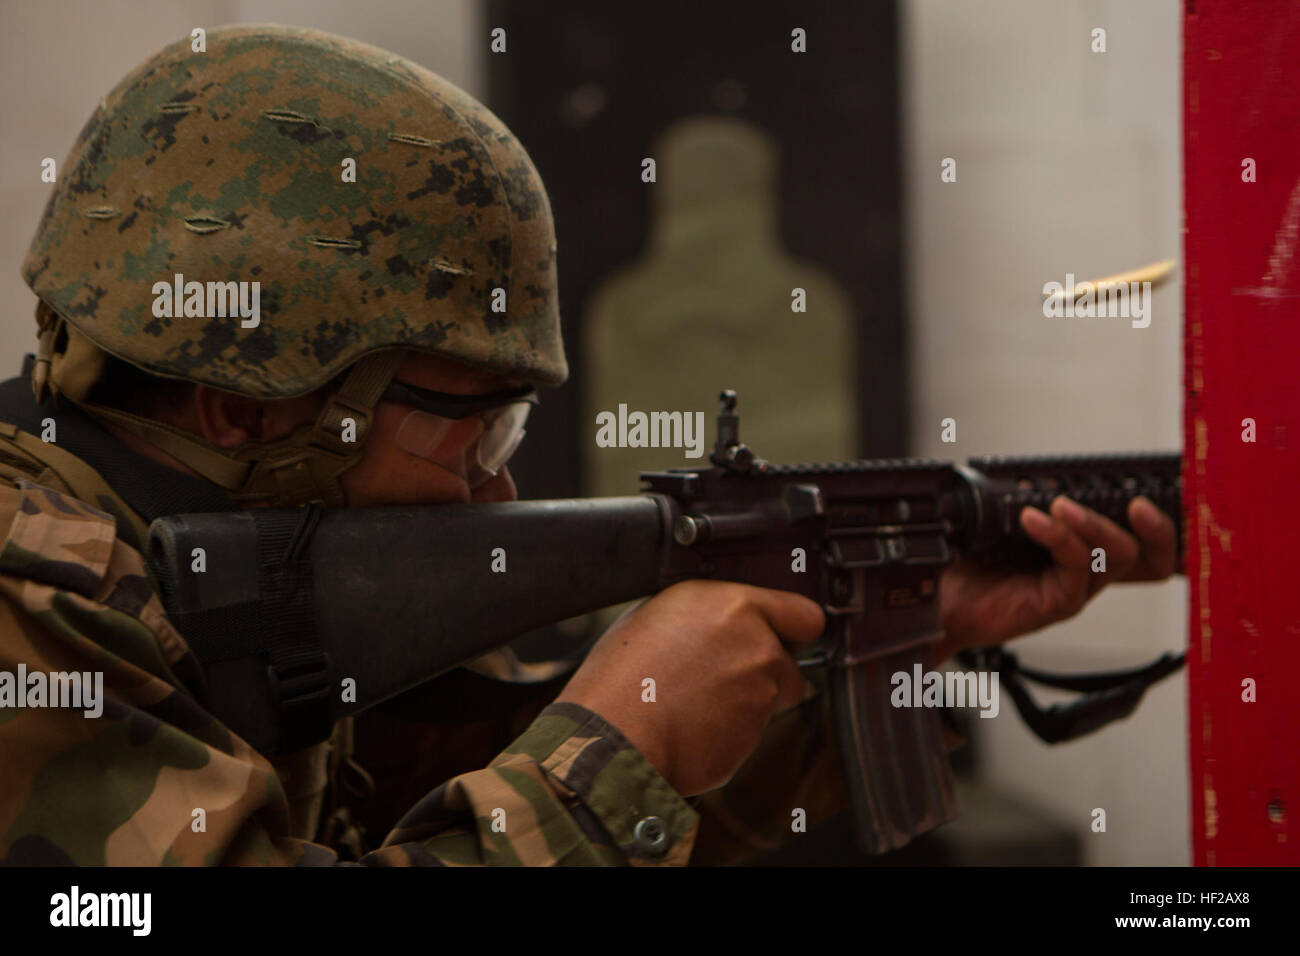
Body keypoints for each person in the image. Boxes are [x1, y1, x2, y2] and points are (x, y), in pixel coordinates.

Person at [0, 24, 1178, 866]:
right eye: (476, 424)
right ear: (252, 406)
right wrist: (619, 738)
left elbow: (466, 814)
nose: (498, 481)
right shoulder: (29, 605)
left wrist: (893, 630)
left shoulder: (219, 573)